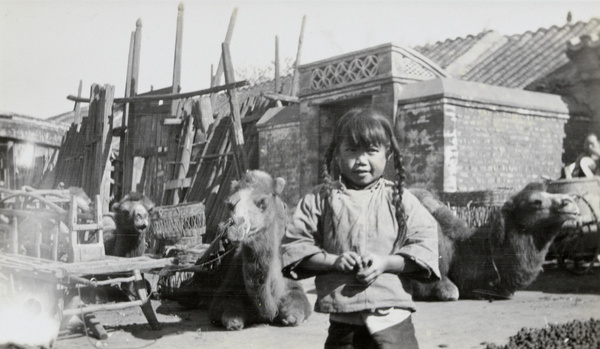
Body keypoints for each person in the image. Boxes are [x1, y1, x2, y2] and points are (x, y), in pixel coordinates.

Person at [281, 107, 440, 349]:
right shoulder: (320, 199)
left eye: (371, 151)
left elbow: (424, 245)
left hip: (392, 318)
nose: (361, 160)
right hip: (344, 318)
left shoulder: (399, 199)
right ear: (337, 155)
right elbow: (295, 245)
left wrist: (386, 263)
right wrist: (333, 261)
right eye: (352, 150)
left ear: (387, 155)